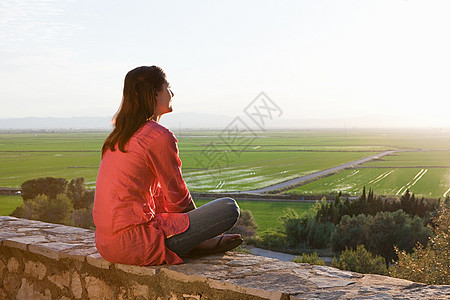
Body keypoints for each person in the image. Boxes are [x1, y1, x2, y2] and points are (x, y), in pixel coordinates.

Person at [93, 66, 242, 266]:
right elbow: (178, 199)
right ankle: (199, 245)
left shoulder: (118, 137)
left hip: (106, 244)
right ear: (155, 94)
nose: (172, 93)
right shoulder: (158, 136)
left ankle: (195, 244)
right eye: (168, 87)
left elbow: (158, 198)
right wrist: (201, 233)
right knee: (229, 208)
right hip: (138, 244)